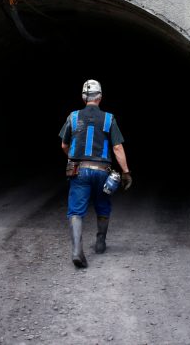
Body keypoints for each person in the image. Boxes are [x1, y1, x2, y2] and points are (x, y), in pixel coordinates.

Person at [58, 79, 132, 268]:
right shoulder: (109, 118)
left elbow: (64, 145)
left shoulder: (73, 117)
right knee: (103, 204)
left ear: (83, 98)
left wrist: (73, 157)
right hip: (102, 171)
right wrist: (125, 172)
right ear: (100, 97)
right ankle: (100, 242)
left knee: (75, 210)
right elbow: (117, 147)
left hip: (79, 170)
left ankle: (76, 251)